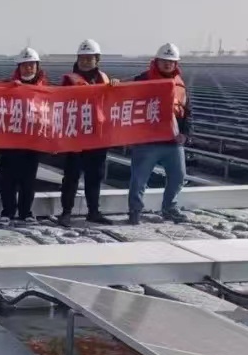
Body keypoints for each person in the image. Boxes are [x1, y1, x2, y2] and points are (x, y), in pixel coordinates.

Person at [127, 43, 192, 225]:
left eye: (171, 61)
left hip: (172, 141)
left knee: (178, 176)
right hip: (148, 141)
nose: (167, 64)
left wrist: (185, 133)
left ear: (176, 63)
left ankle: (169, 207)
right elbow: (126, 101)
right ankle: (135, 210)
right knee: (139, 179)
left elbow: (187, 112)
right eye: (164, 61)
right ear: (156, 61)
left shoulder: (179, 84)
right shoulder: (143, 80)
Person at [58, 39, 116, 227]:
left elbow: (114, 101)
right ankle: (66, 212)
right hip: (76, 136)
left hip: (97, 137)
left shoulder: (105, 79)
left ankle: (93, 212)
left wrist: (116, 87)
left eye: (89, 58)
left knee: (95, 176)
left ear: (97, 60)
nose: (85, 61)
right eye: (82, 58)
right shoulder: (69, 80)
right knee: (71, 176)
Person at [0, 47, 48, 225]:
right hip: (9, 141)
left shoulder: (46, 89)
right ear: (19, 67)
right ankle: (7, 211)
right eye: (25, 65)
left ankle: (26, 212)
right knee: (7, 179)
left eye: (31, 65)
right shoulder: (7, 86)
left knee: (29, 180)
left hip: (32, 141)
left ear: (37, 66)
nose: (28, 68)